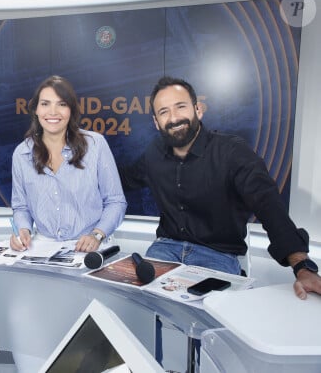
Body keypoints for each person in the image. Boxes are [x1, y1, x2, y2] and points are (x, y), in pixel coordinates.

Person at [117, 76, 321, 299]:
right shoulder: (153, 154)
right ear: (156, 122)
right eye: (164, 112)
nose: (174, 118)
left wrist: (302, 266)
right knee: (142, 301)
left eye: (180, 107)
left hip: (218, 254)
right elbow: (121, 180)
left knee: (208, 317)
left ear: (198, 109)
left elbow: (268, 205)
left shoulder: (232, 152)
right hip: (165, 249)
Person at [10, 75, 126, 252]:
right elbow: (21, 206)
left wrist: (97, 235)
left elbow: (115, 201)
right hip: (42, 246)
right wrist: (23, 231)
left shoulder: (95, 145)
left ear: (71, 110)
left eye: (62, 104)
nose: (53, 112)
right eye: (45, 104)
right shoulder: (22, 153)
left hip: (90, 244)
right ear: (36, 110)